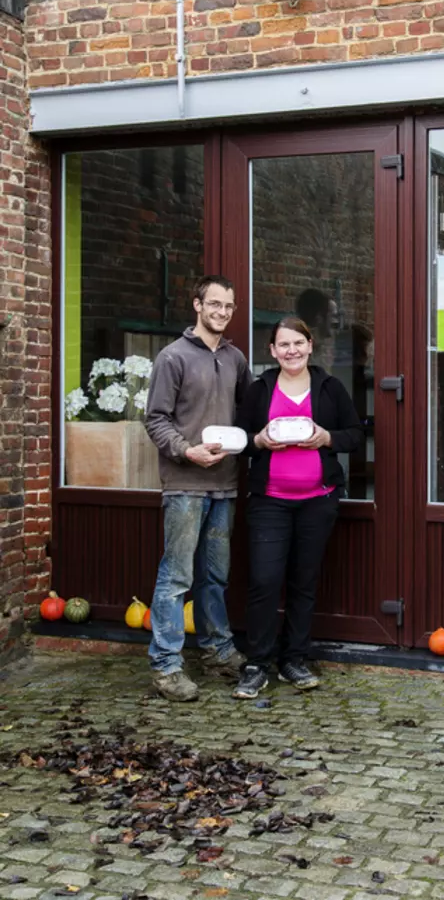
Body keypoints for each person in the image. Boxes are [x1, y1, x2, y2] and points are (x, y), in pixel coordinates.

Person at [234, 316, 363, 698]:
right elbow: (241, 437)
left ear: (310, 346)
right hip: (269, 502)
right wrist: (258, 440)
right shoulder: (260, 390)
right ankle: (256, 664)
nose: (291, 350)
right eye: (283, 345)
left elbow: (355, 435)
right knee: (264, 581)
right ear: (272, 351)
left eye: (298, 343)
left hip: (317, 501)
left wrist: (326, 437)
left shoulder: (330, 387)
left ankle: (294, 659)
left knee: (303, 582)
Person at [144, 275, 249, 701]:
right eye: (215, 304)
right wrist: (187, 452)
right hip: (185, 484)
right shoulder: (173, 358)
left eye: (229, 306)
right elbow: (155, 419)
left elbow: (245, 411)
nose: (222, 312)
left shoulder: (236, 358)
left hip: (224, 485)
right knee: (176, 576)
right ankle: (166, 666)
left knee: (215, 577)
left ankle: (218, 651)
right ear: (197, 305)